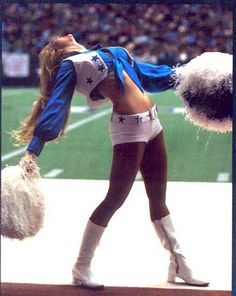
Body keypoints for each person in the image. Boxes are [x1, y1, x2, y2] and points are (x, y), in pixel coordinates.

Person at [12, 34, 209, 289]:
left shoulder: (113, 52)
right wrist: (33, 149)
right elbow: (56, 105)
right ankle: (81, 267)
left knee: (158, 197)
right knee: (115, 198)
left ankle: (179, 263)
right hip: (128, 129)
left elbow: (148, 75)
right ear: (55, 51)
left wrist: (190, 75)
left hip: (153, 122)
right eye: (54, 39)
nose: (60, 35)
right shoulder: (71, 66)